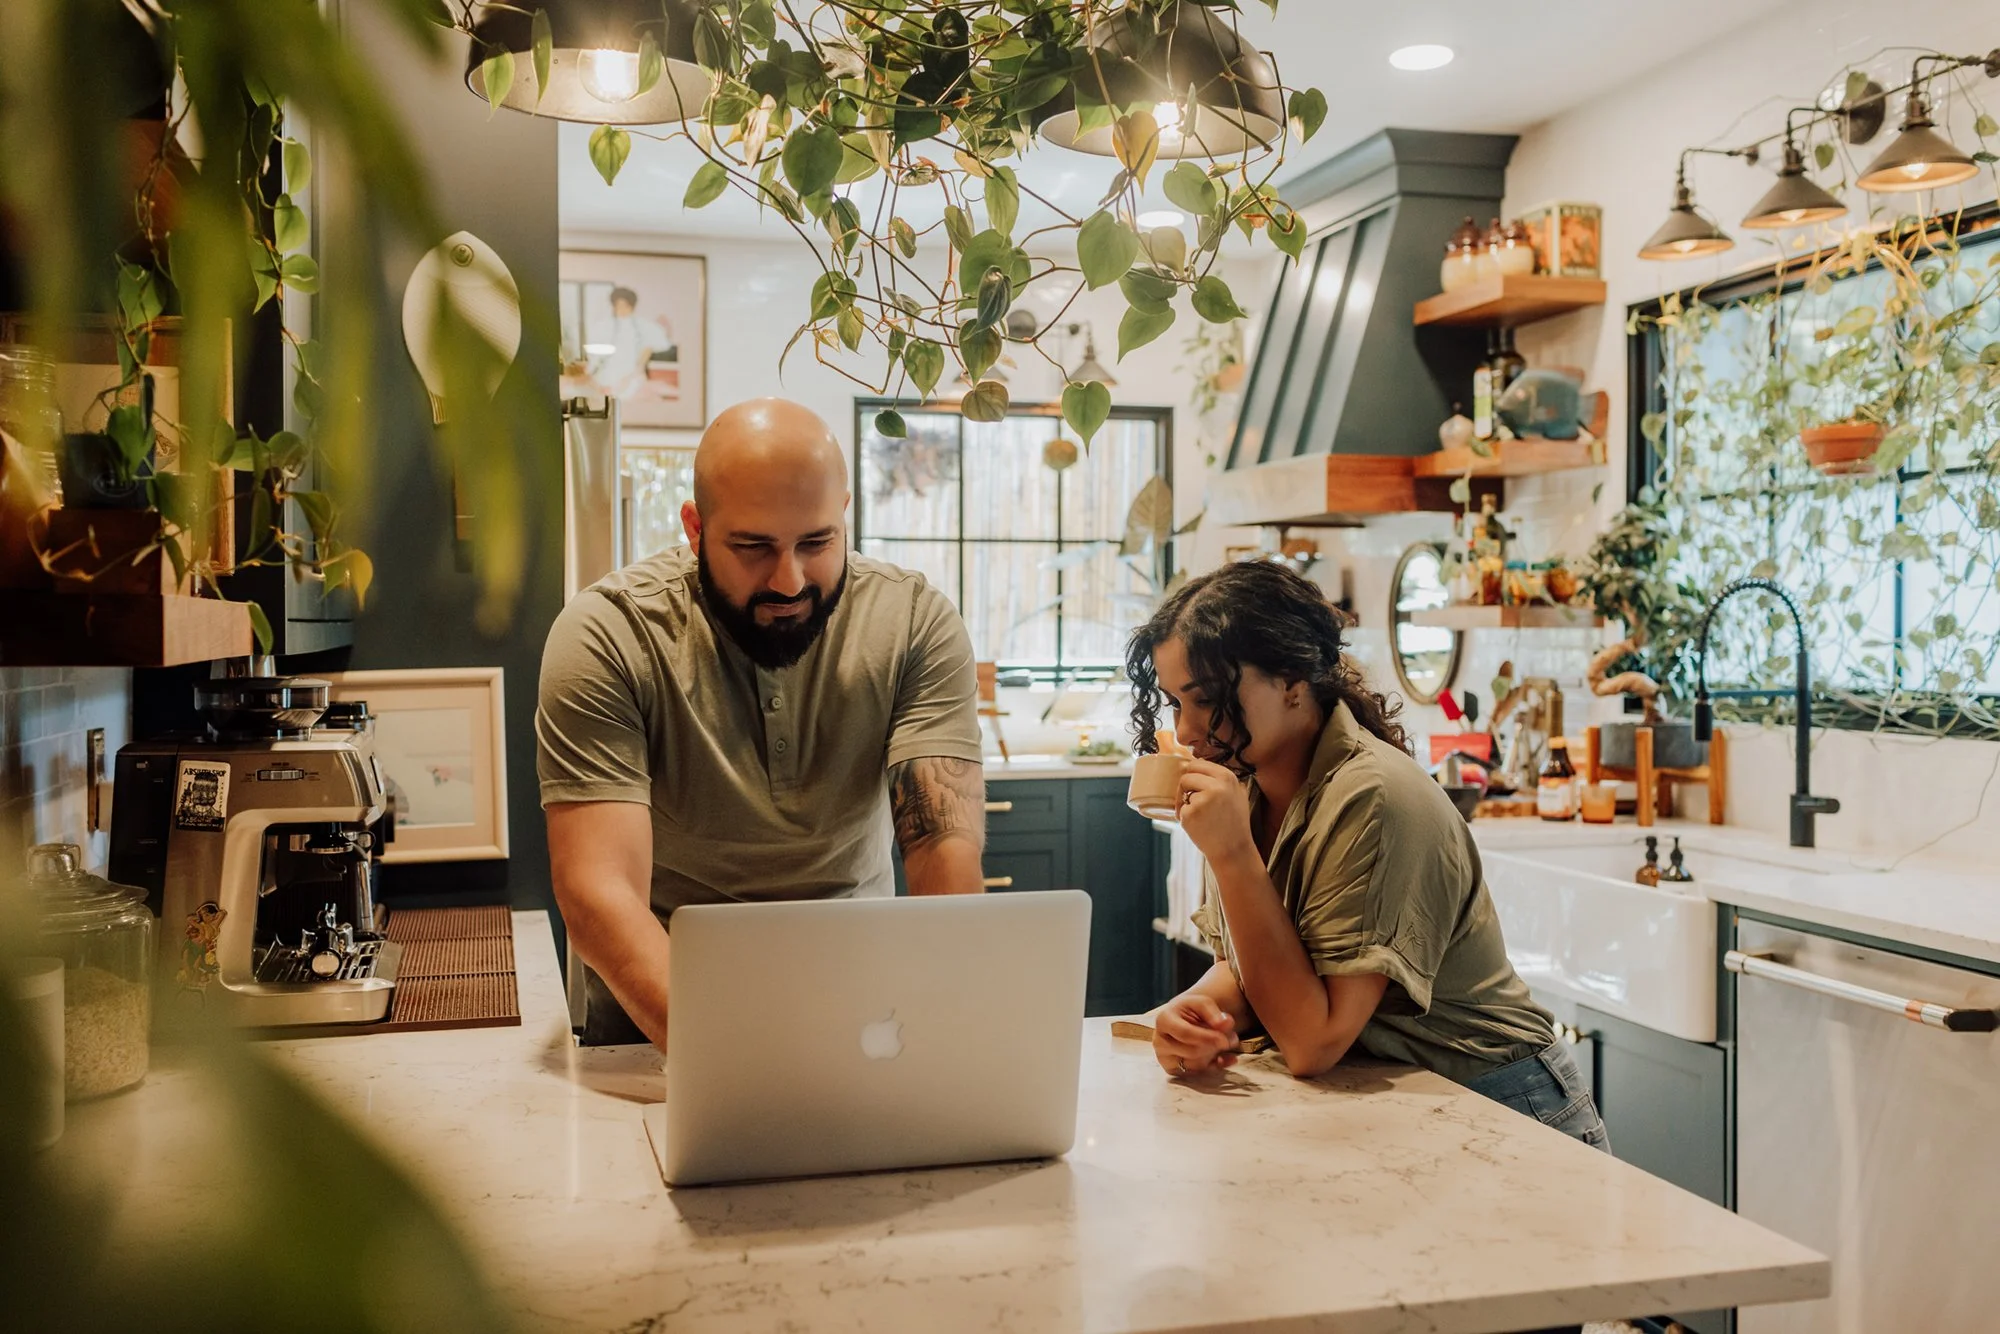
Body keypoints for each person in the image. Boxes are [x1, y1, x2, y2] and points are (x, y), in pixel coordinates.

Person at [537, 398, 988, 1048]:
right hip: (662, 1021)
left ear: (845, 517)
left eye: (817, 542)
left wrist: (939, 1037)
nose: (789, 579)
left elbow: (942, 852)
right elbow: (598, 893)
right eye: (753, 547)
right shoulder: (609, 635)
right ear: (694, 529)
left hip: (866, 1018)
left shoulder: (915, 622)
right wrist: (729, 1056)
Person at [1127, 560, 1608, 1150]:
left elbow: (1314, 1040)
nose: (1189, 729)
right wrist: (1193, 1011)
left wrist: (1231, 855)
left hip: (1503, 1108)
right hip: (1401, 1102)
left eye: (1208, 700)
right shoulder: (1243, 786)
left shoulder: (1373, 798)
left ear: (1292, 682)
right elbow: (1256, 962)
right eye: (1177, 704)